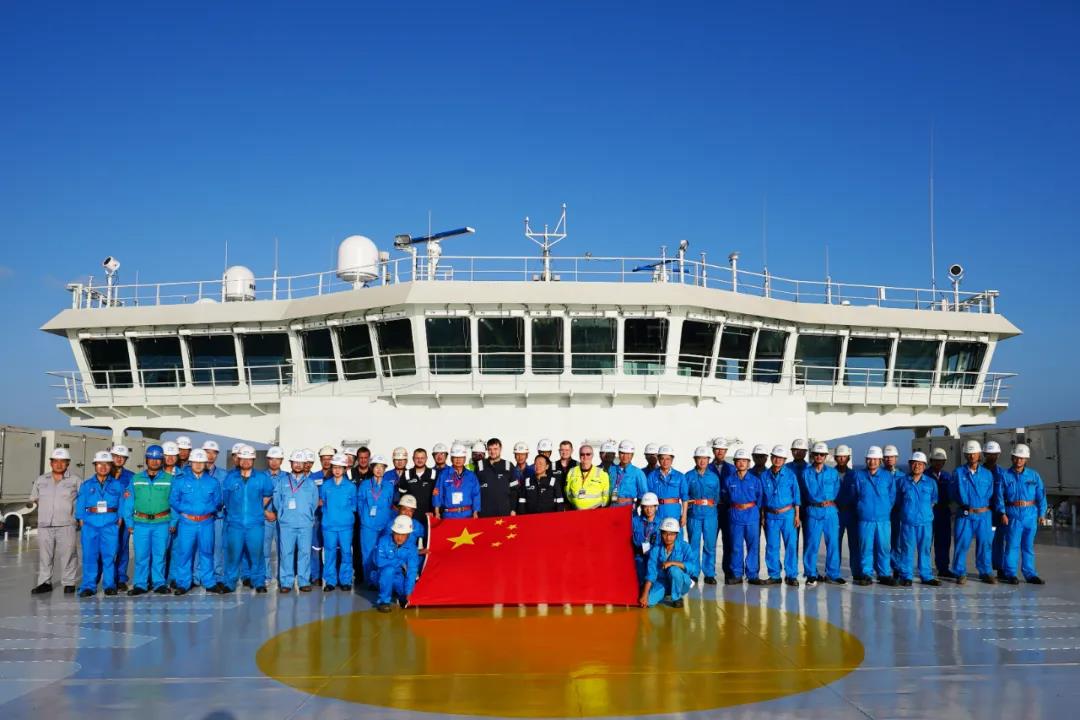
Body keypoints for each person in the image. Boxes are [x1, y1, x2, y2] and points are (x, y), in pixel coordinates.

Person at [169, 448, 224, 595]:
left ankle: (209, 582)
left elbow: (218, 501)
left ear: (205, 463)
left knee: (207, 552)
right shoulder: (180, 481)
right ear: (191, 463)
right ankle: (183, 583)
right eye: (195, 462)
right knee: (184, 553)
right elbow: (173, 500)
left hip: (206, 522)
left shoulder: (213, 482)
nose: (198, 465)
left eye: (201, 462)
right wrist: (186, 510)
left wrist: (207, 509)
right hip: (187, 523)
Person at [122, 444, 174, 596]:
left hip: (162, 523)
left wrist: (173, 522)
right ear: (146, 460)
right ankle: (140, 584)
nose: (154, 462)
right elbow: (128, 502)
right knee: (141, 555)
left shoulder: (170, 480)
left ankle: (159, 583)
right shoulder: (136, 479)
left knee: (159, 555)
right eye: (151, 458)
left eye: (158, 459)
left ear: (162, 460)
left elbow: (175, 503)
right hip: (141, 523)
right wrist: (129, 522)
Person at [221, 446, 274, 593]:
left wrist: (258, 508)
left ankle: (259, 582)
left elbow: (268, 494)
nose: (245, 462)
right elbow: (226, 499)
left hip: (255, 524)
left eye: (249, 459)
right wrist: (234, 513)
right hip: (235, 524)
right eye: (243, 459)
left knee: (257, 554)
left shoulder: (262, 478)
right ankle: (229, 583)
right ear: (238, 459)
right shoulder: (230, 478)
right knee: (233, 555)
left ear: (253, 459)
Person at [30, 448, 81, 595]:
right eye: (55, 461)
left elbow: (83, 500)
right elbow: (35, 498)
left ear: (68, 463)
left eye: (62, 461)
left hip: (67, 524)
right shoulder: (41, 480)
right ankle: (45, 582)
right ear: (51, 463)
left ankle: (69, 582)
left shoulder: (76, 480)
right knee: (45, 556)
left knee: (69, 554)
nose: (59, 464)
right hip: (45, 524)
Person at [996, 444, 1047, 585]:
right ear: (1012, 458)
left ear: (1026, 459)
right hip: (1013, 515)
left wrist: (1041, 514)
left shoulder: (1034, 475)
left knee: (1028, 546)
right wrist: (1002, 513)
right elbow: (999, 497)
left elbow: (1041, 496)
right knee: (1012, 545)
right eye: (1016, 457)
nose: (1019, 460)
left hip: (1030, 515)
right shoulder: (1005, 476)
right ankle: (1010, 574)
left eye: (1022, 458)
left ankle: (1030, 574)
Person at [77, 451, 126, 597]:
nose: (103, 467)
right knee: (89, 556)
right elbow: (80, 504)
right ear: (94, 465)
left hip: (110, 524)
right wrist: (81, 521)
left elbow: (122, 504)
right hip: (90, 524)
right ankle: (88, 586)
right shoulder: (86, 485)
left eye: (107, 464)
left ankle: (109, 585)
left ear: (111, 466)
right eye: (99, 464)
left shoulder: (118, 485)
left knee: (109, 556)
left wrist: (120, 519)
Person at [949, 440, 996, 585]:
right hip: (965, 515)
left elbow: (990, 492)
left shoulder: (987, 474)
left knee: (985, 544)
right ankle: (959, 572)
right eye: (969, 453)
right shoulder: (958, 472)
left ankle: (985, 572)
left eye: (974, 453)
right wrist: (963, 504)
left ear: (979, 454)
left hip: (983, 515)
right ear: (965, 455)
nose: (971, 456)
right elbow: (952, 492)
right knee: (962, 544)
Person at [850, 446, 897, 586]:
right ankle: (866, 574)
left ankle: (884, 574)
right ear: (866, 460)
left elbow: (892, 496)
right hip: (865, 519)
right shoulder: (859, 476)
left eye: (875, 459)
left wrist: (885, 509)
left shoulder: (887, 476)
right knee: (866, 548)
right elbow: (854, 496)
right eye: (870, 459)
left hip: (883, 520)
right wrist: (861, 508)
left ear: (880, 460)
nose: (872, 462)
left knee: (884, 547)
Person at [275, 450, 319, 593]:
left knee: (305, 553)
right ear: (291, 463)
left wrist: (308, 515)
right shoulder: (282, 482)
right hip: (287, 524)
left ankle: (303, 581)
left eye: (301, 462)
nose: (298, 465)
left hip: (305, 524)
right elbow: (277, 501)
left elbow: (314, 502)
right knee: (286, 553)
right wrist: (283, 514)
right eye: (295, 462)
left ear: (305, 464)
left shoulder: (311, 484)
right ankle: (286, 582)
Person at [801, 442, 844, 586]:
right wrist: (817, 502)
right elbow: (805, 491)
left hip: (830, 511)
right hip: (814, 510)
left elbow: (837, 489)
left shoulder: (832, 473)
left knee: (833, 543)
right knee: (812, 544)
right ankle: (811, 574)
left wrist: (829, 501)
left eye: (822, 454)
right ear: (812, 455)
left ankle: (833, 574)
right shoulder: (806, 473)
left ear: (825, 456)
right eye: (816, 454)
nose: (819, 456)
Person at [896, 451, 940, 587]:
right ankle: (906, 576)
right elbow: (898, 501)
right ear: (910, 464)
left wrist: (924, 513)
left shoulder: (931, 483)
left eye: (920, 464)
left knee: (925, 550)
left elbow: (934, 500)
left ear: (924, 466)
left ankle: (926, 576)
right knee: (907, 550)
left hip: (925, 523)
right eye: (914, 463)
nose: (917, 466)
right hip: (908, 523)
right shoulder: (902, 482)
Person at [721, 448, 764, 585]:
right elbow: (725, 496)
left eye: (744, 461)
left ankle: (752, 574)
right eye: (738, 461)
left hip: (752, 515)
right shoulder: (729, 480)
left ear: (748, 463)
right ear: (735, 463)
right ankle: (737, 574)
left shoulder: (755, 480)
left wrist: (754, 511)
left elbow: (759, 498)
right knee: (736, 546)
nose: (741, 463)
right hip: (735, 515)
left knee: (753, 546)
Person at [761, 445, 801, 587]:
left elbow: (796, 495)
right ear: (771, 458)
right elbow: (762, 498)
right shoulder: (764, 476)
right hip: (771, 515)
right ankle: (774, 575)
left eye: (781, 458)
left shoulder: (790, 475)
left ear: (784, 460)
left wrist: (797, 515)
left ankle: (791, 575)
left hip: (788, 515)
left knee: (791, 545)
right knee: (772, 546)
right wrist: (763, 516)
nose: (778, 460)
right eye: (775, 457)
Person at [638, 517, 698, 608]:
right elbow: (651, 573)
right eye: (665, 533)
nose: (668, 537)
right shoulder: (655, 549)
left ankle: (677, 598)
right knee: (648, 601)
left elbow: (693, 567)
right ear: (661, 533)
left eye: (671, 534)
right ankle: (665, 592)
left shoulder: (685, 547)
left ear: (677, 534)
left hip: (681, 582)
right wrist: (645, 594)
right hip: (663, 582)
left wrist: (672, 563)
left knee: (674, 570)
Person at [320, 453, 359, 591]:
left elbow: (354, 505)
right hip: (329, 525)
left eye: (340, 467)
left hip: (345, 526)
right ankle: (330, 581)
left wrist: (345, 516)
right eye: (335, 467)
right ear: (331, 468)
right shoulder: (325, 486)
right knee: (329, 553)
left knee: (346, 552)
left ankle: (345, 580)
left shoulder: (351, 487)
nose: (337, 470)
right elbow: (323, 504)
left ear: (345, 469)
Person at [358, 454, 396, 587]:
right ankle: (370, 581)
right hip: (368, 525)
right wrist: (365, 519)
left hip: (384, 524)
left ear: (385, 469)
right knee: (368, 552)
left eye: (382, 467)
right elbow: (359, 504)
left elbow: (390, 504)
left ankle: (382, 579)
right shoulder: (364, 485)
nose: (379, 470)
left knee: (385, 552)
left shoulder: (389, 486)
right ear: (372, 468)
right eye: (376, 467)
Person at [686, 446, 721, 584]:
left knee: (709, 544)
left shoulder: (714, 477)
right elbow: (685, 496)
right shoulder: (688, 476)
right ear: (695, 459)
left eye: (705, 459)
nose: (702, 461)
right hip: (693, 515)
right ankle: (693, 573)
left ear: (708, 460)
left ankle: (709, 574)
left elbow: (717, 496)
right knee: (693, 544)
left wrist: (710, 506)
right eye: (699, 458)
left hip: (710, 515)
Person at [374, 515, 421, 612]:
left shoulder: (412, 548)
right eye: (397, 534)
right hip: (382, 574)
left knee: (407, 591)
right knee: (389, 570)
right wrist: (400, 562)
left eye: (403, 535)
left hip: (399, 575)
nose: (399, 538)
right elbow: (379, 562)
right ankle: (384, 601)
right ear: (392, 532)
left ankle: (399, 594)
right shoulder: (383, 541)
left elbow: (412, 571)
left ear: (408, 535)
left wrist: (408, 592)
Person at [108, 444, 135, 591]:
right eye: (116, 456)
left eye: (122, 457)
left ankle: (120, 578)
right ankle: (107, 577)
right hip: (106, 519)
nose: (119, 459)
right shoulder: (104, 474)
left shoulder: (131, 477)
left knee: (122, 549)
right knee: (106, 549)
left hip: (123, 520)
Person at [309, 445, 336, 587]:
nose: (326, 462)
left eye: (329, 459)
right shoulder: (313, 477)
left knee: (334, 548)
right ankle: (316, 575)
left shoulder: (338, 477)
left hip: (333, 518)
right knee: (316, 547)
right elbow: (308, 496)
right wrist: (316, 502)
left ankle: (335, 575)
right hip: (317, 517)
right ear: (320, 460)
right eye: (324, 459)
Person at [709, 437, 735, 583]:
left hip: (727, 509)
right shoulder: (707, 468)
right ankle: (710, 573)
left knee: (728, 541)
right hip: (712, 509)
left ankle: (728, 571)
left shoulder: (732, 469)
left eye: (722, 449)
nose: (720, 451)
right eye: (717, 449)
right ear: (713, 450)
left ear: (726, 451)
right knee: (710, 542)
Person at [982, 440, 1009, 576]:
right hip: (984, 512)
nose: (992, 457)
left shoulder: (1003, 473)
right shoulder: (979, 472)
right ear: (984, 454)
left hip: (998, 513)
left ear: (998, 455)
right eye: (989, 454)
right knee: (985, 541)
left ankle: (999, 567)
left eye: (994, 454)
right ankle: (985, 569)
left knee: (999, 541)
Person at [433, 445, 481, 518]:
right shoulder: (443, 474)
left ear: (465, 458)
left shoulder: (471, 476)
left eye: (461, 457)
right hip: (449, 515)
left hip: (467, 515)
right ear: (451, 458)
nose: (458, 460)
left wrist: (475, 512)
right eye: (455, 457)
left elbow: (476, 494)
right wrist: (437, 512)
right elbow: (437, 493)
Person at [927, 447, 954, 578]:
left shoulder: (947, 476)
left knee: (944, 541)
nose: (938, 463)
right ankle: (925, 568)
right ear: (930, 461)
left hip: (943, 512)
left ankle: (943, 568)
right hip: (929, 512)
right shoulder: (925, 475)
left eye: (941, 461)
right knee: (926, 542)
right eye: (936, 460)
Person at [476, 438, 519, 517]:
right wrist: (475, 510)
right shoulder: (480, 465)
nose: (492, 452)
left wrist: (513, 509)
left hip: (504, 512)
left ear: (500, 449)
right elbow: (474, 491)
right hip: (484, 512)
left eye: (495, 449)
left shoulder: (508, 465)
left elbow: (514, 490)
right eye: (490, 449)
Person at [263, 446, 286, 586]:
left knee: (283, 548)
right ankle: (265, 576)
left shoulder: (287, 477)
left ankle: (282, 576)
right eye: (271, 459)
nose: (274, 462)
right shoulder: (260, 477)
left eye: (277, 459)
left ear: (282, 460)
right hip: (264, 518)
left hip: (282, 519)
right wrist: (266, 512)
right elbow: (254, 498)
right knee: (264, 549)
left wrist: (277, 514)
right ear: (268, 460)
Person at [882, 445, 906, 576]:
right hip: (884, 513)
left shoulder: (902, 476)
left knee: (897, 541)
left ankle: (897, 567)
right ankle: (883, 567)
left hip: (898, 513)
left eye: (891, 457)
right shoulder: (879, 475)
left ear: (896, 458)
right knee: (884, 542)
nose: (889, 459)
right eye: (886, 457)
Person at [648, 445, 687, 525]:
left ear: (672, 459)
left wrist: (684, 515)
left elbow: (685, 498)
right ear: (658, 459)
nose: (665, 462)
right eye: (662, 458)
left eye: (668, 459)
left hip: (674, 511)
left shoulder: (680, 476)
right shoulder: (652, 476)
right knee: (657, 532)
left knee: (675, 532)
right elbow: (648, 496)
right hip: (657, 511)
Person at [834, 445, 858, 572]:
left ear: (848, 458)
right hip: (836, 513)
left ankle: (856, 571)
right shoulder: (830, 474)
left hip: (852, 513)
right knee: (835, 543)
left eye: (844, 456)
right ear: (835, 458)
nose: (842, 459)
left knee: (854, 543)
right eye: (839, 456)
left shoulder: (854, 475)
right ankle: (834, 571)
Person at [565, 444, 610, 510]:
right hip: (576, 511)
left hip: (595, 511)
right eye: (582, 454)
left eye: (588, 454)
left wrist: (600, 507)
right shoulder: (572, 472)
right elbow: (567, 491)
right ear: (579, 456)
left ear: (592, 455)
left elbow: (606, 495)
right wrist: (575, 503)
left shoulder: (602, 473)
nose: (585, 456)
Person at [395, 448, 437, 518]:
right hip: (410, 515)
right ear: (413, 459)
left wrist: (433, 511)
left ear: (426, 458)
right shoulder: (406, 474)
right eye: (417, 458)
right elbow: (401, 496)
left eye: (422, 458)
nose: (419, 460)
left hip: (429, 515)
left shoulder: (434, 474)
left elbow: (437, 496)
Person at [632, 493, 661, 584]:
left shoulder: (661, 523)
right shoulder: (635, 521)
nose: (649, 510)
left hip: (654, 558)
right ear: (642, 507)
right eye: (646, 507)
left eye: (651, 507)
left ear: (656, 507)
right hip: (639, 556)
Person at [609, 440, 649, 508]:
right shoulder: (611, 470)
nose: (625, 456)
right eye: (622, 453)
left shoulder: (638, 473)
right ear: (618, 453)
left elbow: (643, 495)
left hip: (628, 507)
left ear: (632, 455)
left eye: (628, 454)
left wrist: (634, 506)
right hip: (612, 507)